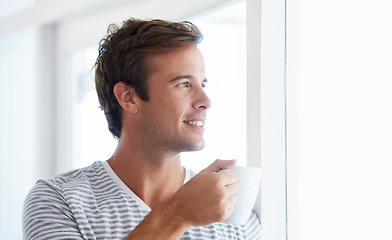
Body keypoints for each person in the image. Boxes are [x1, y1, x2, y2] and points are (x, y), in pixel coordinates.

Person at [23, 18, 261, 239]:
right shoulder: (58, 200)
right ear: (129, 98)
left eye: (203, 83)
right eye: (184, 84)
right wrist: (178, 214)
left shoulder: (232, 211)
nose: (205, 101)